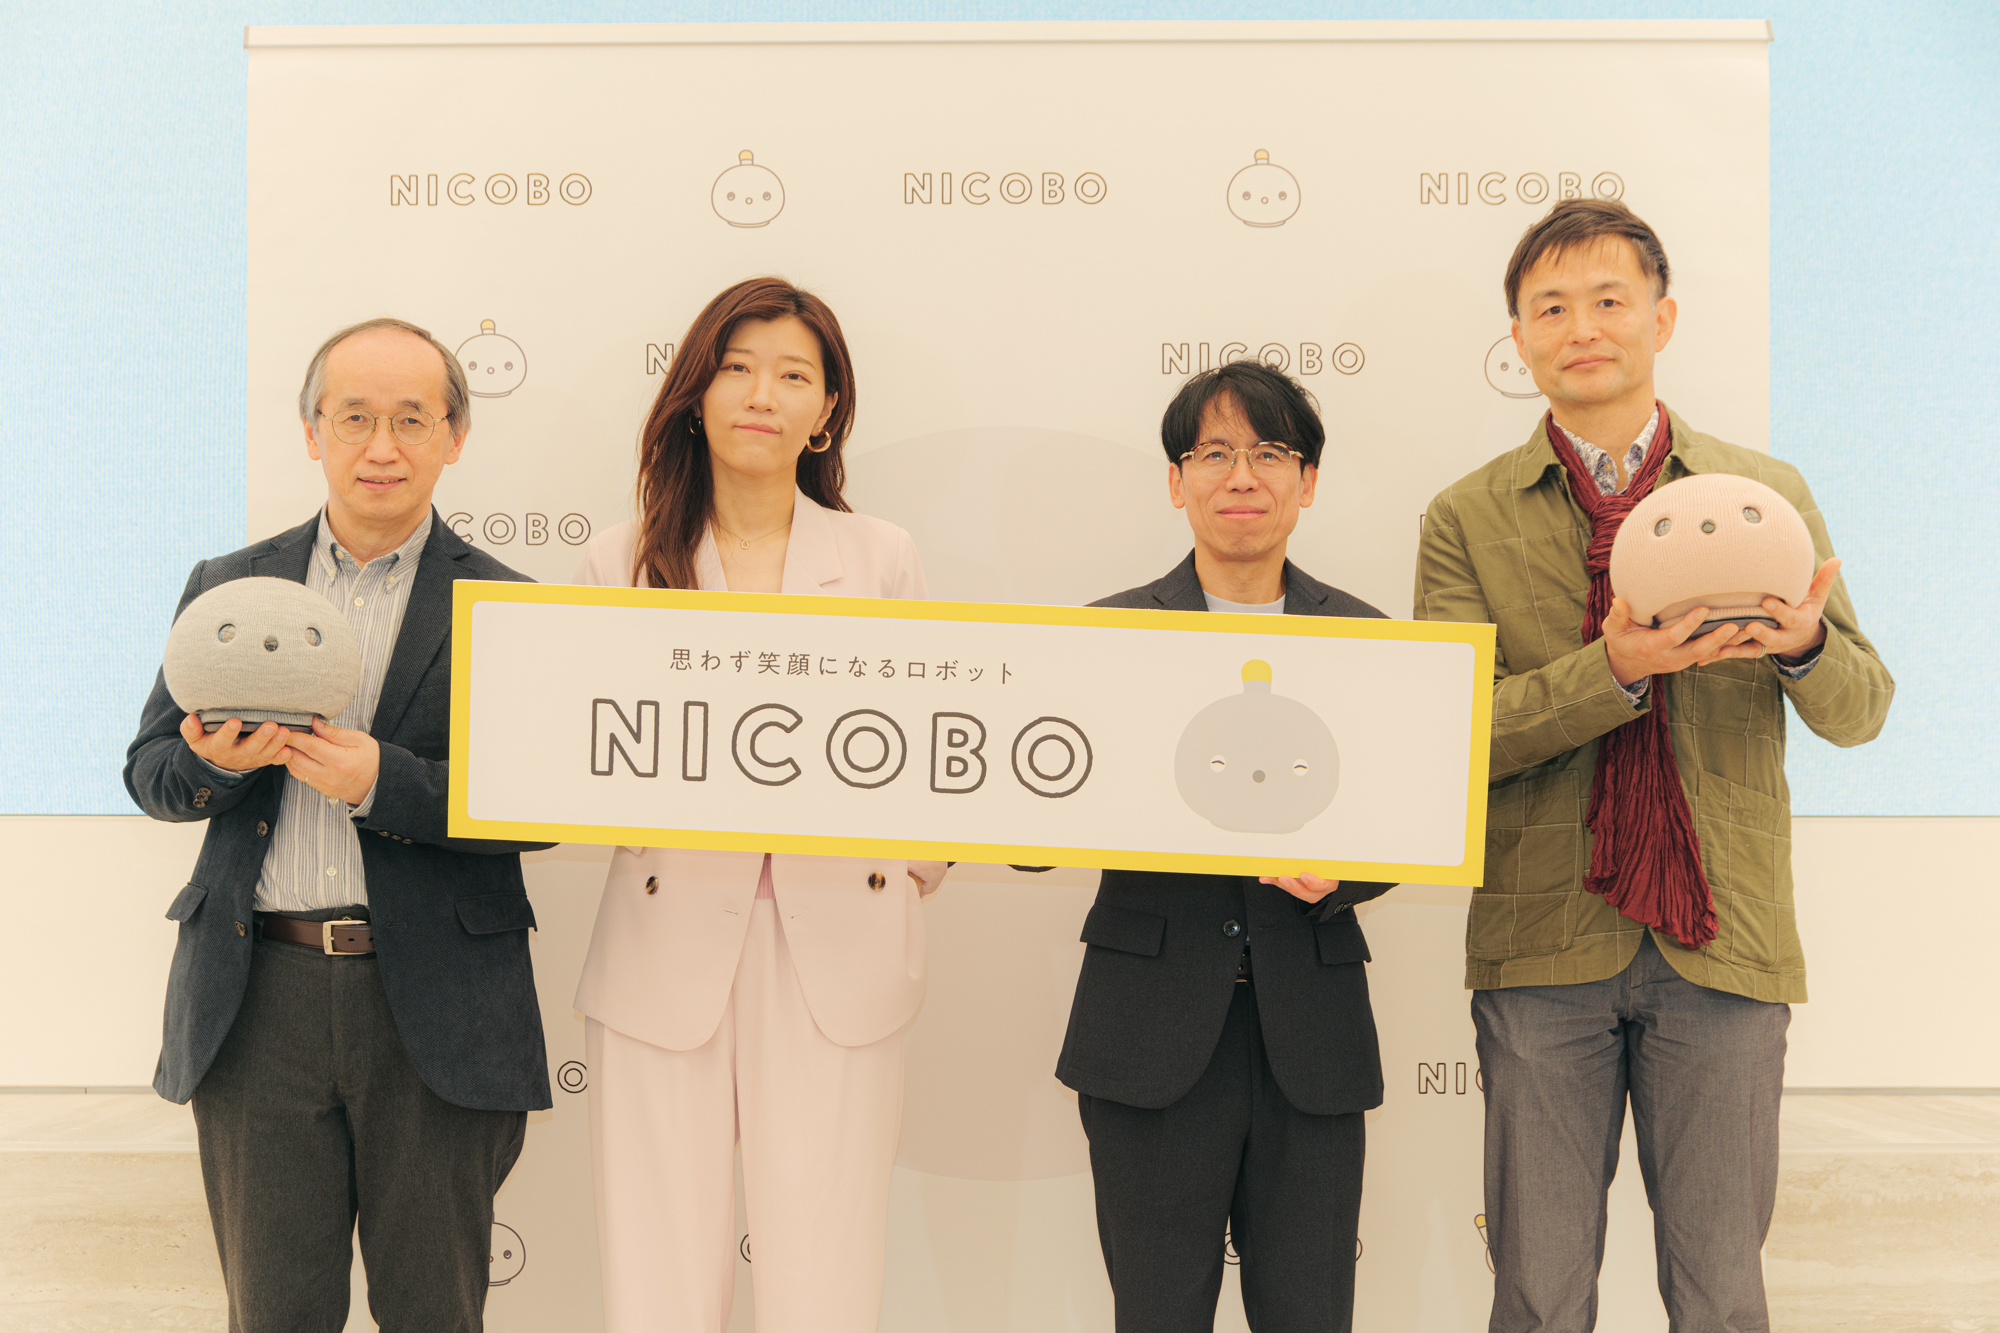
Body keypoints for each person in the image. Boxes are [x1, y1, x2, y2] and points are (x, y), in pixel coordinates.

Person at [1415, 198, 1894, 1331]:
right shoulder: (1466, 516)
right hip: (1541, 940)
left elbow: (1862, 709)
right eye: (1550, 308)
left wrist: (1804, 646)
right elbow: (1449, 735)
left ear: (1661, 319)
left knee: (1721, 1292)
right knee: (1537, 1293)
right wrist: (1612, 671)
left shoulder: (1761, 495)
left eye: (1608, 300)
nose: (1581, 327)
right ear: (1518, 338)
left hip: (1723, 940)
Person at [123, 317, 552, 1332]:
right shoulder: (229, 586)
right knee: (273, 1313)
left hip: (436, 1008)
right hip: (256, 997)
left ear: (454, 436)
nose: (381, 446)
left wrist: (383, 782)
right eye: (354, 417)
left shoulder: (509, 604)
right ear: (312, 431)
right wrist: (214, 766)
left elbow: (537, 809)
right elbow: (151, 772)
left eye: (412, 419)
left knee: (434, 1311)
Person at [571, 276, 946, 1333]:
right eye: (736, 368)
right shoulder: (619, 559)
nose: (760, 395)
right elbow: (577, 753)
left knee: (824, 1272)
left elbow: (930, 747)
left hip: (841, 948)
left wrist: (915, 867)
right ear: (695, 392)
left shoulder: (880, 557)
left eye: (792, 375)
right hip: (663, 943)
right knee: (658, 1276)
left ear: (826, 410)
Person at [1051, 360, 1396, 1333]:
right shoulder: (1106, 633)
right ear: (1176, 480)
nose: (1241, 475)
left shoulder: (1370, 637)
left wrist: (1347, 874)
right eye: (1213, 454)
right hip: (1146, 1029)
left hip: (1311, 1033)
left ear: (1306, 481)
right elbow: (1033, 824)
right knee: (1156, 1314)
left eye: (1269, 452)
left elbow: (1404, 821)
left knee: (1311, 1315)